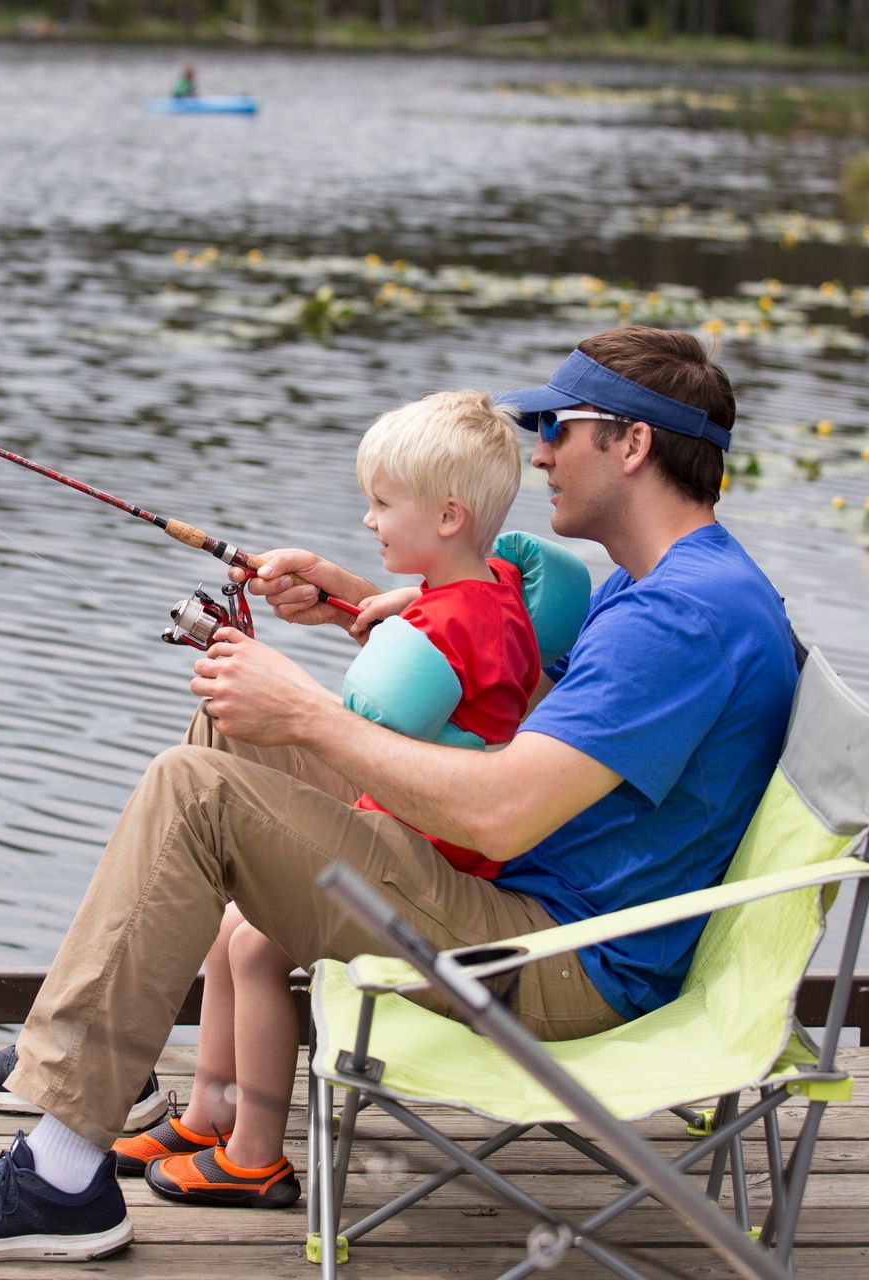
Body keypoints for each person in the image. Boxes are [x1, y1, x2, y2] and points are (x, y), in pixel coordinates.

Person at [0, 325, 798, 1266]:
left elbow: (502, 808)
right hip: (529, 890)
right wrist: (368, 608)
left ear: (631, 444)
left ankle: (60, 1174)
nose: (541, 449)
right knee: (232, 732)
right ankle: (110, 1070)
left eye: (559, 425)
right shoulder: (674, 588)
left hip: (554, 954)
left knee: (200, 792)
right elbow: (527, 720)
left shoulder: (679, 617)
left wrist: (310, 713)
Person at [117, 390, 547, 1209]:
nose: (368, 521)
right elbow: (447, 641)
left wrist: (277, 679)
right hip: (428, 829)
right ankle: (210, 1109)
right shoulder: (489, 590)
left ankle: (254, 1155)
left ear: (449, 515)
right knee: (234, 908)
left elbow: (359, 721)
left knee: (252, 942)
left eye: (383, 504)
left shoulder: (438, 634)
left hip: (433, 850)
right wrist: (366, 605)